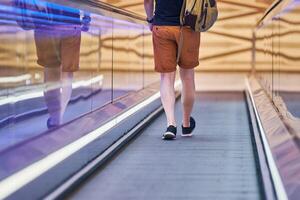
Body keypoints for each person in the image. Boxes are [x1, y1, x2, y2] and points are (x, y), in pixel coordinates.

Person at [144, 0, 201, 140]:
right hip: (189, 27)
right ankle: (186, 124)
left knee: (166, 78)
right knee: (188, 77)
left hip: (163, 26)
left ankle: (171, 124)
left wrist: (150, 19)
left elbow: (147, 1)